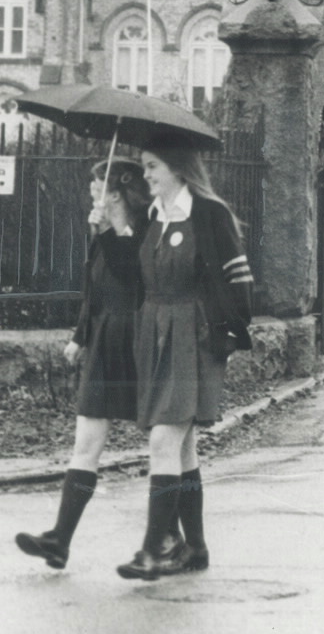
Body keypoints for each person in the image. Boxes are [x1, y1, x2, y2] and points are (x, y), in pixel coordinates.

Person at [117, 141, 254, 581]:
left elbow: (238, 279)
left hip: (192, 337)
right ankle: (194, 548)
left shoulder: (210, 214)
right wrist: (112, 229)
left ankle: (153, 552)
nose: (147, 176)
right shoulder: (151, 216)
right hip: (153, 335)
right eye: (144, 168)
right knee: (182, 445)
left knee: (163, 442)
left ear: (177, 167)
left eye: (153, 166)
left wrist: (230, 334)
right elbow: (129, 277)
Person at [14, 157, 150, 568]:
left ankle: (175, 539)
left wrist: (110, 231)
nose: (90, 193)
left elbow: (133, 277)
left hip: (137, 342)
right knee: (85, 444)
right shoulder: (101, 233)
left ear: (115, 194)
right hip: (105, 342)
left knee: (165, 447)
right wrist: (79, 336)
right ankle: (59, 540)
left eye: (97, 187)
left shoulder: (145, 232)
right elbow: (94, 293)